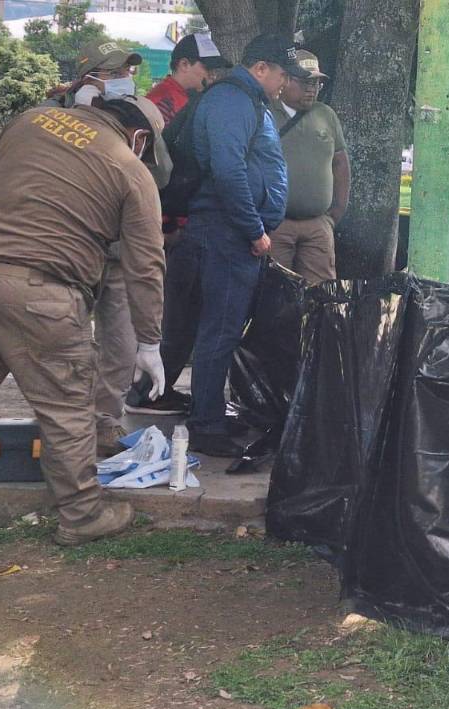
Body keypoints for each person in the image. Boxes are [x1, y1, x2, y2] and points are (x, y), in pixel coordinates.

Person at [0, 95, 167, 546]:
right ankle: (82, 514)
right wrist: (149, 341)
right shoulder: (130, 170)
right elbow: (146, 264)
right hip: (43, 295)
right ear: (139, 138)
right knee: (68, 410)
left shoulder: (30, 120)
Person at [183, 34, 307, 458]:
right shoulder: (232, 101)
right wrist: (255, 230)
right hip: (227, 232)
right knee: (219, 330)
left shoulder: (248, 102)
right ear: (259, 68)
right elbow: (228, 169)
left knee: (224, 328)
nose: (283, 84)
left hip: (231, 231)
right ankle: (205, 426)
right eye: (281, 75)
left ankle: (210, 413)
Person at [45, 41, 155, 457]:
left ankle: (106, 423)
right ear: (88, 78)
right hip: (72, 253)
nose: (126, 80)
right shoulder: (53, 116)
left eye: (128, 71)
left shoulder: (138, 115)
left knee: (122, 346)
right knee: (66, 346)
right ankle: (65, 431)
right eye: (114, 73)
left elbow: (156, 175)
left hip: (122, 251)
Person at [125, 32, 230, 418]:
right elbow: (157, 173)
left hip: (178, 221)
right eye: (207, 68)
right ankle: (149, 392)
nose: (211, 76)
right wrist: (167, 225)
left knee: (181, 310)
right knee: (175, 312)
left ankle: (156, 388)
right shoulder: (162, 104)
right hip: (169, 224)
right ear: (183, 64)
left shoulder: (189, 101)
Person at [268, 50, 350, 283]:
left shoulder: (326, 115)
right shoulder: (266, 114)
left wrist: (335, 213)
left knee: (321, 296)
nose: (312, 89)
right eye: (306, 82)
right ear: (285, 79)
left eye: (317, 83)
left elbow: (341, 164)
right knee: (276, 294)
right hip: (277, 225)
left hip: (317, 225)